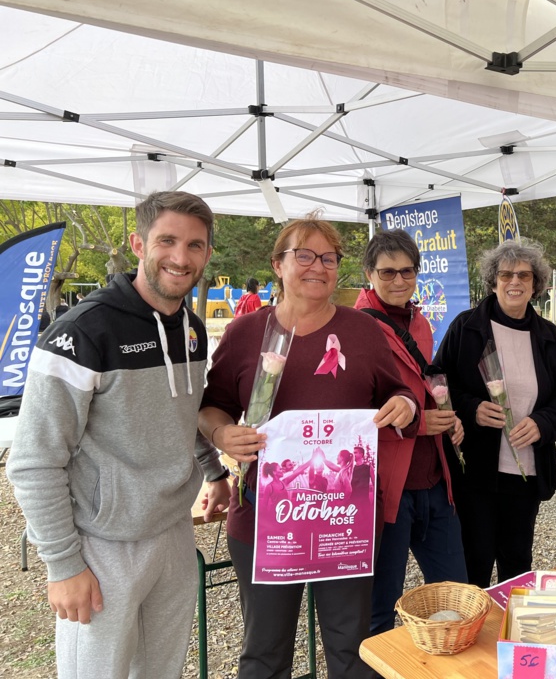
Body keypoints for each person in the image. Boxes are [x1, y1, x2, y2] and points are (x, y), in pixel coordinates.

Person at [6, 191, 231, 679]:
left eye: (195, 245)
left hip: (172, 533)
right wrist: (64, 565)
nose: (180, 256)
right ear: (137, 243)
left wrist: (214, 472)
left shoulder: (191, 328)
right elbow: (33, 460)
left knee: (161, 671)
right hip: (102, 544)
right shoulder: (83, 331)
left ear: (207, 253)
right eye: (167, 241)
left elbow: (183, 412)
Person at [198, 212, 417, 679]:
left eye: (329, 257)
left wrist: (405, 407)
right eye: (304, 255)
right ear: (278, 264)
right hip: (265, 518)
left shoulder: (362, 331)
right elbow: (210, 407)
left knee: (352, 649)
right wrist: (220, 434)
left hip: (345, 516)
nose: (318, 266)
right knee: (264, 651)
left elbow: (396, 393)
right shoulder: (244, 334)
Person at [433, 239, 556, 588]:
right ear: (493, 281)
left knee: (517, 560)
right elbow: (438, 383)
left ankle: (512, 631)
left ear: (535, 284)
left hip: (525, 470)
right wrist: (471, 408)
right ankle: (472, 631)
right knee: (474, 559)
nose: (515, 282)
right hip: (476, 468)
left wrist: (542, 424)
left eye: (524, 275)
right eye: (506, 274)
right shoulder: (466, 328)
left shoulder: (549, 336)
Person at [355, 229, 467, 634]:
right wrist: (419, 423)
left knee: (457, 595)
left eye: (407, 271)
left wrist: (448, 416)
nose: (399, 281)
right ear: (369, 273)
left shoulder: (419, 321)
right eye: (387, 273)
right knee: (381, 607)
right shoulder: (354, 328)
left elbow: (425, 384)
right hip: (388, 485)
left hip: (434, 479)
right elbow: (353, 409)